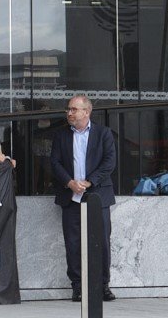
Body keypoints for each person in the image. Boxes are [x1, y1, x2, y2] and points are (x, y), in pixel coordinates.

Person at [48, 94, 117, 301]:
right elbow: (55, 163)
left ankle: (103, 285)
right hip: (71, 197)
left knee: (102, 242)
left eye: (74, 109)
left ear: (87, 112)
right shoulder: (60, 135)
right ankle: (78, 286)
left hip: (97, 196)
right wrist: (70, 183)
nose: (69, 113)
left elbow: (109, 162)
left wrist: (89, 182)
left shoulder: (104, 133)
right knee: (73, 243)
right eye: (68, 109)